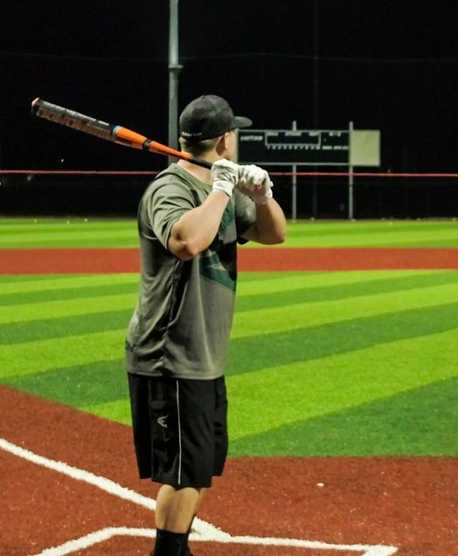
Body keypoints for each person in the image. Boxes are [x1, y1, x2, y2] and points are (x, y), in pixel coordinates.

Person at [125, 94, 287, 555]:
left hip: (205, 352)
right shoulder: (168, 188)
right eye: (234, 132)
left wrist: (262, 195)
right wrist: (219, 190)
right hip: (169, 352)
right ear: (224, 140)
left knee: (200, 465)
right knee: (184, 471)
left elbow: (274, 234)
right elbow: (185, 241)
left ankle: (177, 547)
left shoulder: (227, 188)